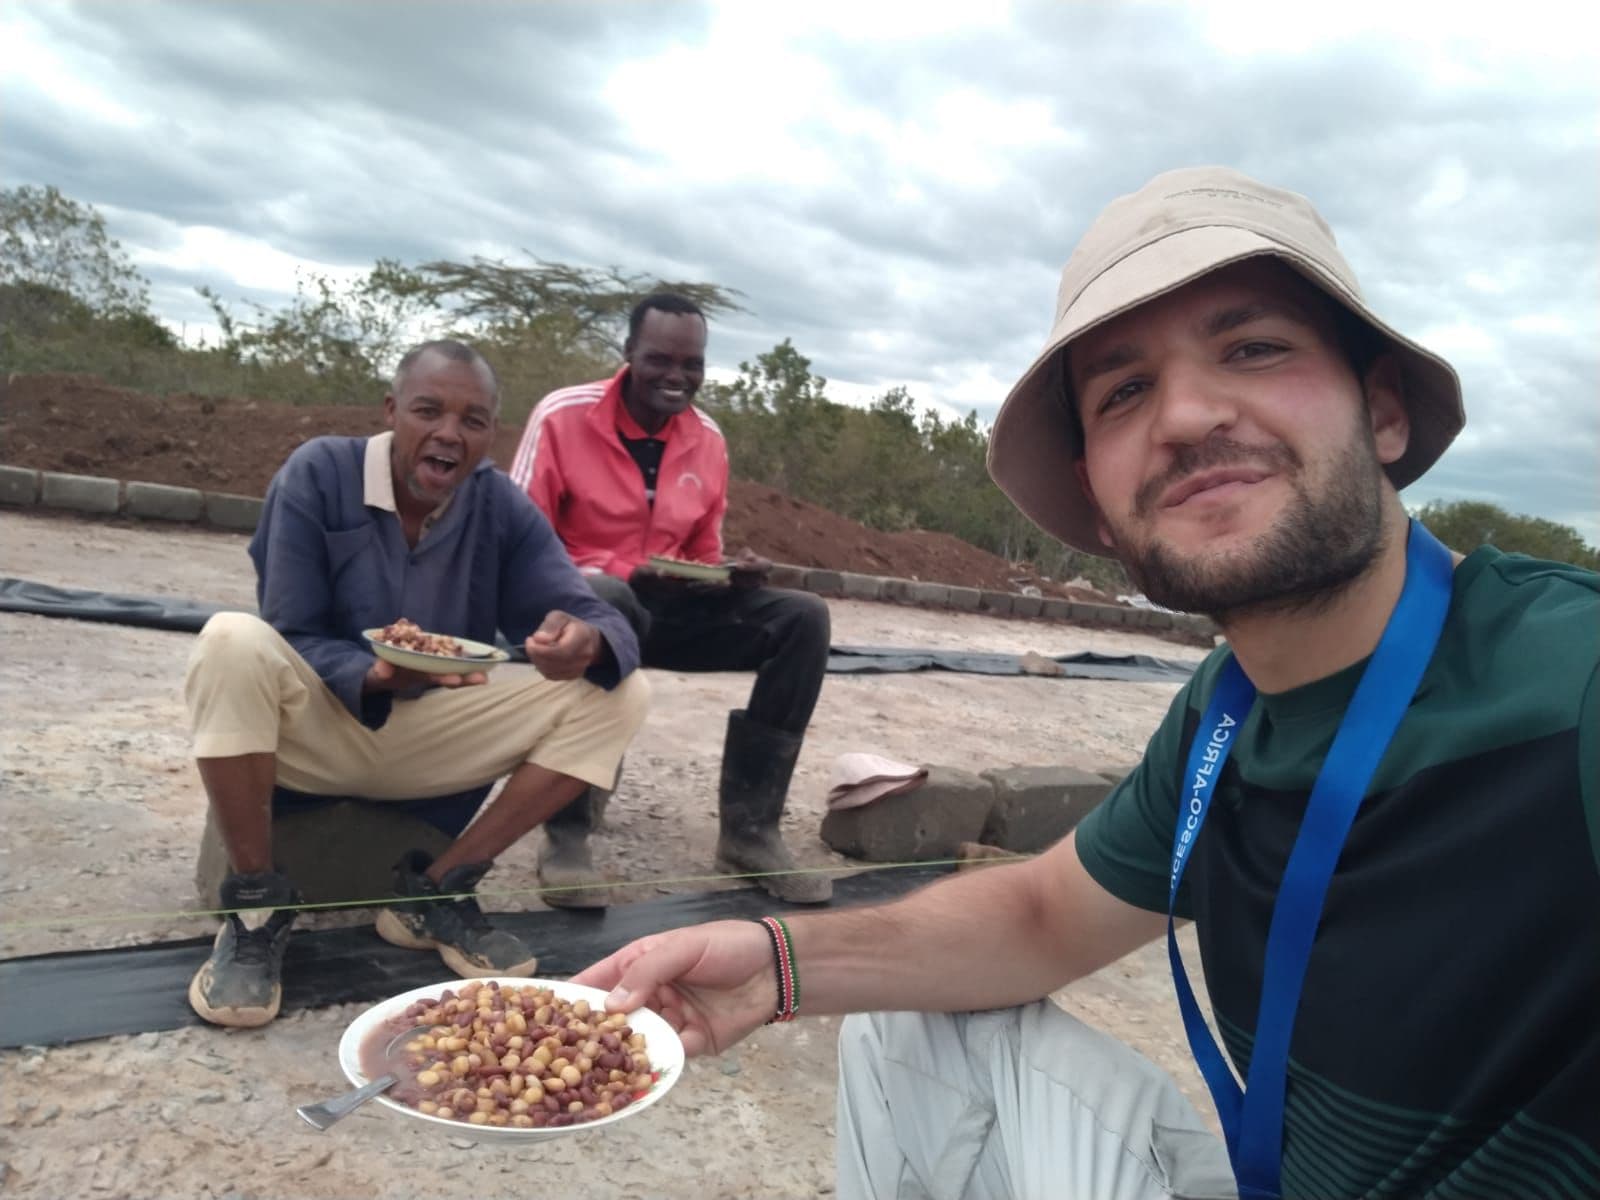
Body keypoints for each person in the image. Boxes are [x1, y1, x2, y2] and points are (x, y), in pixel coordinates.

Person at [574, 169, 1600, 1199]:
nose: (1189, 416)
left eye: (1253, 348)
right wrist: (772, 961)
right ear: (1102, 512)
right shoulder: (1223, 712)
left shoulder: (1567, 681)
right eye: (1124, 391)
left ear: (1380, 414)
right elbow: (1040, 914)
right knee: (909, 1036)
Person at [185, 339, 650, 1029]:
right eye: (429, 410)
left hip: (432, 733)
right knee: (230, 639)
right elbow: (291, 628)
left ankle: (433, 893)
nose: (449, 434)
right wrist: (370, 670)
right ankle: (255, 904)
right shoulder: (320, 473)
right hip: (320, 724)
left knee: (623, 690)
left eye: (473, 420)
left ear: (491, 434)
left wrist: (583, 638)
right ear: (391, 411)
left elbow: (589, 610)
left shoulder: (497, 505)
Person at [508, 293, 833, 905]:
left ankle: (749, 831)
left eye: (693, 364)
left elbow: (701, 549)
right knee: (604, 593)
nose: (677, 377)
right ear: (628, 353)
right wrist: (624, 572)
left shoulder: (708, 439)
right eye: (660, 359)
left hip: (668, 610)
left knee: (803, 619)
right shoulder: (562, 416)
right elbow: (520, 545)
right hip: (580, 607)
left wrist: (729, 574)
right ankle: (567, 833)